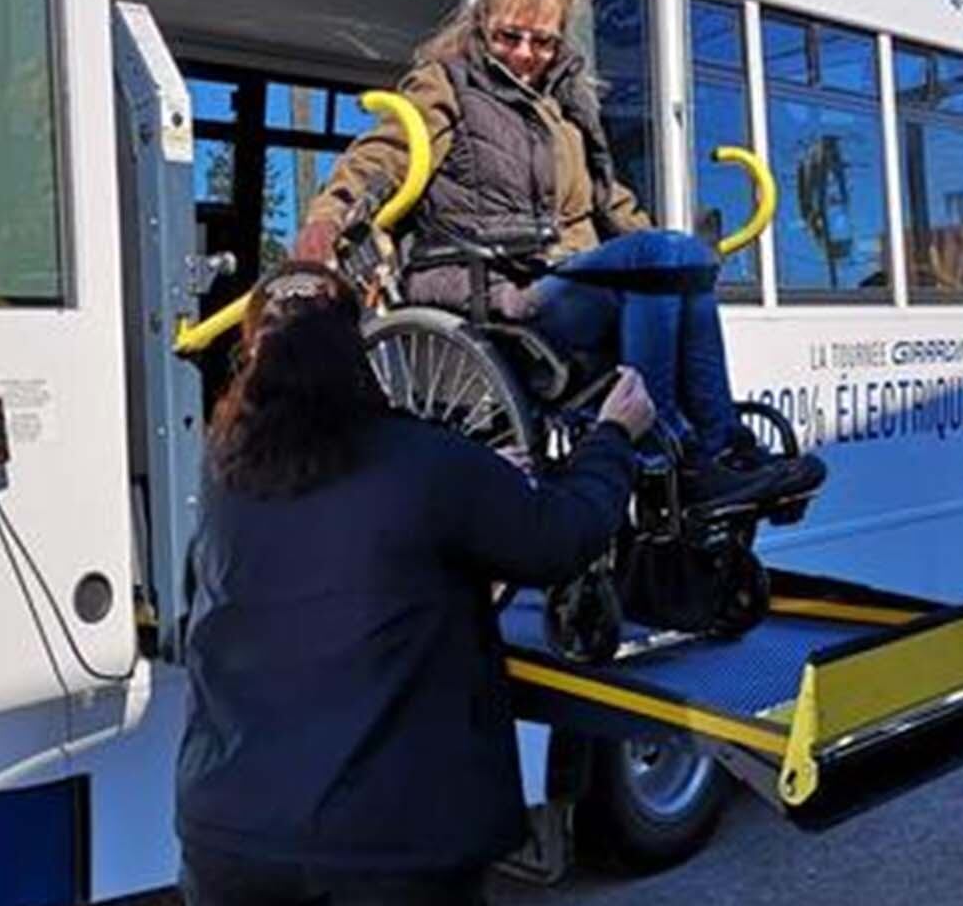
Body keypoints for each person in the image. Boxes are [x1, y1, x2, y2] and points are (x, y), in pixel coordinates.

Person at [177, 263, 653, 906]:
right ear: (358, 348)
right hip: (385, 846)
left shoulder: (223, 474)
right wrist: (613, 438)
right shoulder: (430, 465)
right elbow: (560, 538)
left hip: (229, 838)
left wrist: (474, 478)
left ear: (252, 355)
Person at [295, 0, 823, 513]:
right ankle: (661, 454)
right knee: (666, 262)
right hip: (495, 281)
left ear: (560, 39)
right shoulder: (444, 84)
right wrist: (329, 216)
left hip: (565, 270)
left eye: (542, 42)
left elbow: (607, 197)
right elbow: (384, 154)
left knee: (680, 268)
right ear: (482, 24)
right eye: (509, 37)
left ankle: (723, 450)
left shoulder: (565, 103)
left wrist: (668, 254)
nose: (525, 54)